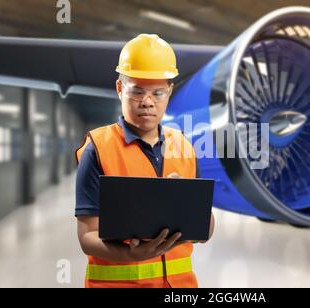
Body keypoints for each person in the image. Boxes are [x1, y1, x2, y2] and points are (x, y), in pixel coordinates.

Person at [74, 34, 215, 288]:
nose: (148, 102)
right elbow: (87, 236)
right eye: (137, 91)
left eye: (158, 93)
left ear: (169, 92)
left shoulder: (184, 146)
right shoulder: (98, 148)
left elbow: (205, 227)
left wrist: (188, 202)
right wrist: (130, 255)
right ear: (120, 89)